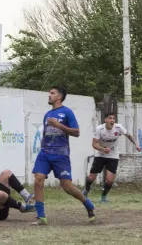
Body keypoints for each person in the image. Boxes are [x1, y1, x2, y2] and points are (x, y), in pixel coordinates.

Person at [31, 86, 96, 225]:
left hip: (61, 155)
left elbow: (76, 132)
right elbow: (45, 133)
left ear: (59, 97)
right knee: (38, 180)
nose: (49, 95)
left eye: (52, 93)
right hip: (45, 153)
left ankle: (88, 205)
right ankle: (41, 216)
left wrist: (59, 125)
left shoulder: (67, 112)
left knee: (67, 187)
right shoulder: (47, 114)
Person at [84, 110, 142, 203]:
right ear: (105, 120)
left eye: (114, 118)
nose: (112, 120)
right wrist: (103, 149)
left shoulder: (118, 127)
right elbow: (94, 144)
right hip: (101, 154)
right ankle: (86, 191)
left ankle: (103, 197)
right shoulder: (99, 129)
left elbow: (129, 135)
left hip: (113, 155)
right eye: (110, 118)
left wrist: (136, 144)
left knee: (110, 180)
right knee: (91, 177)